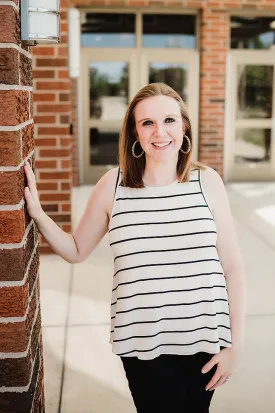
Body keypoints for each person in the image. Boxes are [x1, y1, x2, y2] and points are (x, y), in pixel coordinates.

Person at [24, 82, 246, 413]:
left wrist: (234, 347)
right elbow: (75, 250)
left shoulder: (208, 182)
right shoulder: (113, 186)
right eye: (148, 123)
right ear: (135, 133)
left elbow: (233, 267)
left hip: (204, 339)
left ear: (184, 126)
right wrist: (39, 216)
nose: (161, 132)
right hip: (143, 344)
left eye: (170, 120)